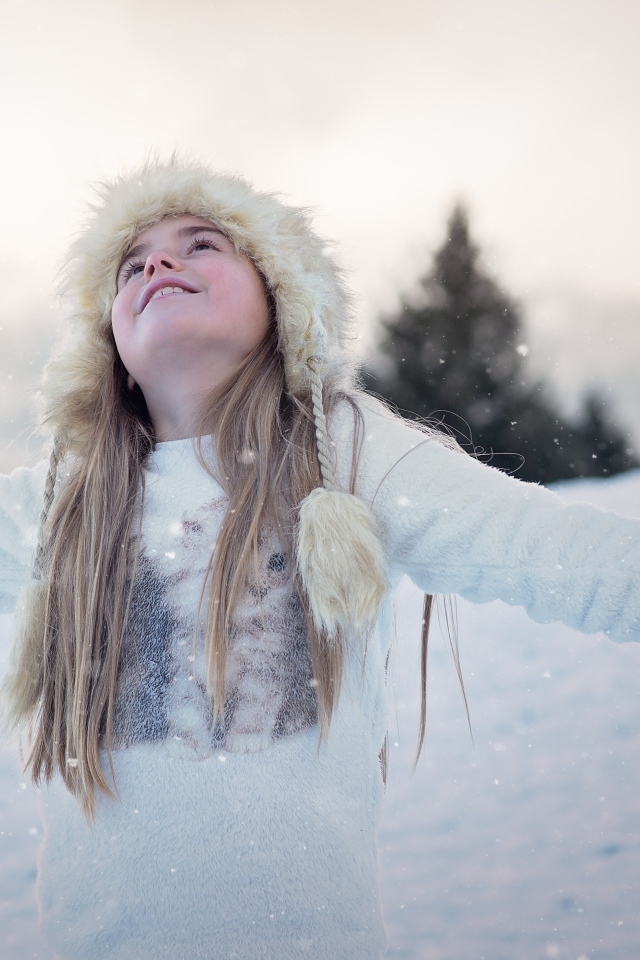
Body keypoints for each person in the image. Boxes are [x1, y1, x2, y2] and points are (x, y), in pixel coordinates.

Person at [0, 159, 638, 960]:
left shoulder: (345, 453)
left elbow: (565, 557)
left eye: (202, 244)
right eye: (131, 266)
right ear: (109, 349)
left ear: (281, 298)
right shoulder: (62, 500)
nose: (158, 262)